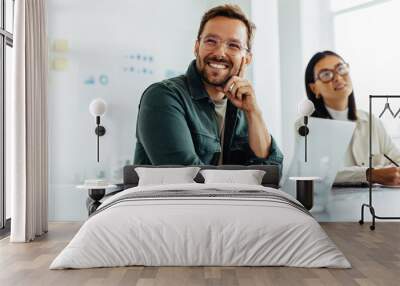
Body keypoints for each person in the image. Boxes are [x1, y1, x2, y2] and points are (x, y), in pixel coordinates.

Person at [133, 5, 283, 167]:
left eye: (233, 45)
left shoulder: (243, 109)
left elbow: (272, 174)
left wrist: (254, 112)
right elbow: (187, 180)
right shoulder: (163, 97)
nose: (219, 53)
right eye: (211, 41)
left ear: (246, 59)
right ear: (197, 47)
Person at [305, 50, 400, 185]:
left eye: (341, 69)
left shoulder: (371, 121)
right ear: (314, 88)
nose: (337, 77)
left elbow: (396, 161)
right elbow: (315, 173)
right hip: (333, 204)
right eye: (326, 74)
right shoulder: (306, 127)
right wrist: (370, 174)